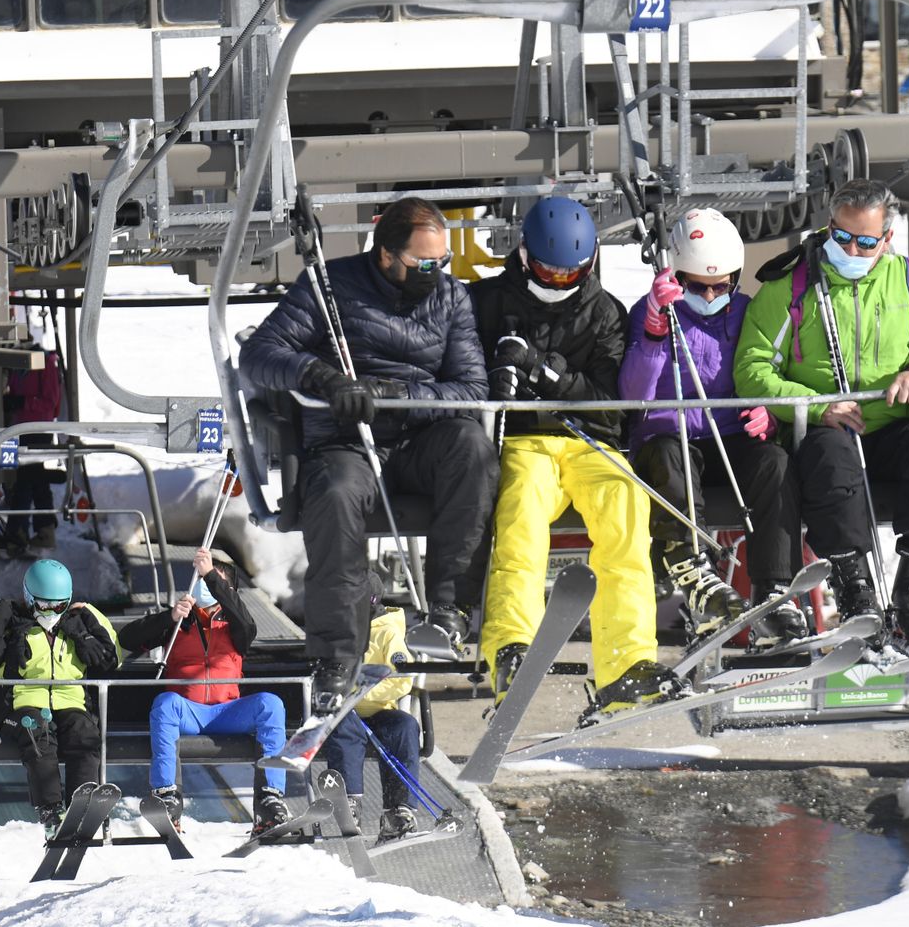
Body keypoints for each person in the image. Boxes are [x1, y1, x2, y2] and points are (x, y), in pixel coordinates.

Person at [241, 196, 497, 713]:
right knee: (335, 497)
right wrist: (320, 376)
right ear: (386, 255)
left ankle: (448, 609)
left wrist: (392, 396)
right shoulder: (327, 287)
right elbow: (259, 355)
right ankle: (336, 655)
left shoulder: (450, 299)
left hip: (419, 439)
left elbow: (470, 388)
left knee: (473, 447)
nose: (435, 273)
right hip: (345, 442)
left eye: (441, 262)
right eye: (423, 264)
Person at [734, 179, 909, 656]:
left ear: (886, 239)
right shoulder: (790, 287)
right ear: (829, 228)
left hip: (891, 428)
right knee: (830, 461)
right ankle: (855, 589)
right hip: (825, 430)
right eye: (842, 236)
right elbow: (752, 368)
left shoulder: (906, 281)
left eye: (865, 241)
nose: (851, 248)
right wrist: (814, 404)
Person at [468, 195, 666, 721]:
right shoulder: (486, 302)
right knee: (521, 520)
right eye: (548, 271)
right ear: (526, 255)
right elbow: (457, 367)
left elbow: (611, 406)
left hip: (589, 442)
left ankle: (628, 661)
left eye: (569, 273)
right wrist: (494, 380)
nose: (558, 282)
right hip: (525, 442)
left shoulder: (604, 313)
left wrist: (549, 373)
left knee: (626, 510)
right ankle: (511, 645)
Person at [620, 208, 808, 649]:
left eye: (720, 284)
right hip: (670, 438)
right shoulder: (654, 315)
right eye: (696, 285)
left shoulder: (747, 311)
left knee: (774, 462)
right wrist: (651, 333)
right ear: (675, 277)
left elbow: (767, 367)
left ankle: (774, 588)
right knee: (670, 455)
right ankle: (693, 570)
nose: (709, 294)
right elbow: (634, 393)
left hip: (729, 436)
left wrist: (771, 412)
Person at [117, 548, 290, 836]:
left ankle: (270, 798)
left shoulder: (235, 624)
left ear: (228, 589)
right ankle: (167, 796)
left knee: (270, 704)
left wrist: (212, 575)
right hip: (189, 710)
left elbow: (247, 626)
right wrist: (168, 618)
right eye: (203, 579)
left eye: (213, 581)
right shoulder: (180, 622)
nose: (206, 586)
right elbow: (129, 639)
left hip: (227, 710)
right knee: (165, 703)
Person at [0, 559, 120, 838]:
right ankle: (51, 811)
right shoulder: (12, 620)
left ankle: (81, 804)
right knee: (36, 733)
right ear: (29, 598)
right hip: (23, 703)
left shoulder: (79, 619)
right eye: (43, 605)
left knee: (85, 734)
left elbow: (113, 657)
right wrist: (7, 615)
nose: (51, 612)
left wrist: (85, 629)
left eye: (58, 606)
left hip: (71, 701)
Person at [322, 600, 421, 840]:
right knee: (343, 724)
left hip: (379, 711)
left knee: (404, 726)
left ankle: (399, 809)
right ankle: (349, 801)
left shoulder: (387, 633)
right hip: (345, 712)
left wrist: (360, 693)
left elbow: (403, 679)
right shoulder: (337, 632)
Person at [4, 349, 64, 555]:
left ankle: (17, 531)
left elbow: (51, 401)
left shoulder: (45, 363)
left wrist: (22, 402)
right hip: (14, 430)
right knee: (31, 478)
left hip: (36, 430)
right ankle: (43, 530)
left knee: (26, 479)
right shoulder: (14, 363)